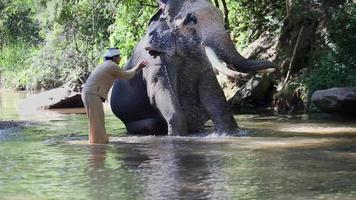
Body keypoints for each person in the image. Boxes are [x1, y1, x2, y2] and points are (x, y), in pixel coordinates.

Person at [82, 48, 148, 144]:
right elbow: (127, 76)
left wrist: (137, 67)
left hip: (90, 93)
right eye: (119, 56)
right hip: (92, 93)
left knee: (97, 120)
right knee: (96, 121)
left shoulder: (106, 65)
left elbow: (124, 75)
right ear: (115, 58)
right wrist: (138, 67)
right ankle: (97, 145)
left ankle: (101, 142)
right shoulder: (112, 66)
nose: (120, 58)